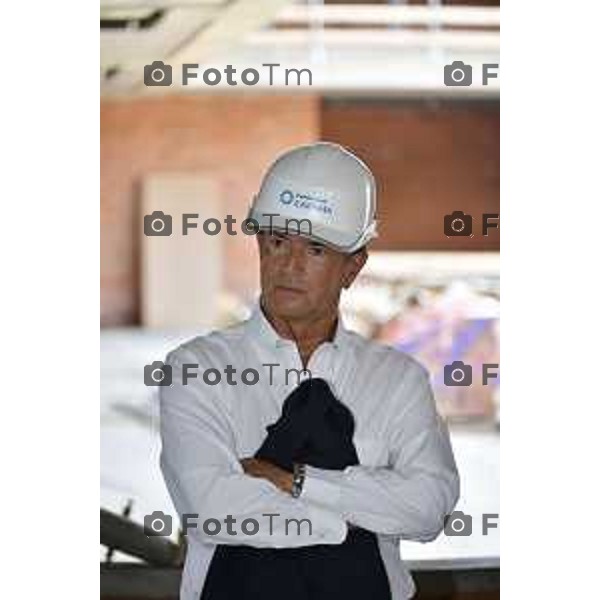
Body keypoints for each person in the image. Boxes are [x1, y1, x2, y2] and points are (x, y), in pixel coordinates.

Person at [159, 142, 460, 600]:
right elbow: (211, 508)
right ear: (260, 244)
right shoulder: (195, 369)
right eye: (277, 241)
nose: (289, 265)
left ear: (353, 267)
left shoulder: (398, 380)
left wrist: (293, 480)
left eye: (316, 249)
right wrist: (355, 521)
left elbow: (427, 509)